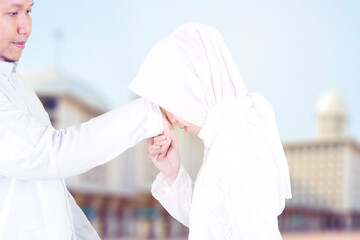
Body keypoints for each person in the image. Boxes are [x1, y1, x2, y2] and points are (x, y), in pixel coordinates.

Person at [0, 0, 171, 239]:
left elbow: (52, 186)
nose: (26, 26)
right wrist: (146, 114)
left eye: (28, 11)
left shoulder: (18, 85)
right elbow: (54, 154)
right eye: (12, 12)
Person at [129, 22, 292, 239]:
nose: (172, 119)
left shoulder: (238, 142)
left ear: (194, 87)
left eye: (171, 104)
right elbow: (211, 225)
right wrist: (173, 173)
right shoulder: (223, 139)